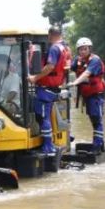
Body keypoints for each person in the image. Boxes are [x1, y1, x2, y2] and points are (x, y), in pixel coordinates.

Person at [27, 26, 70, 155]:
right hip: (54, 88)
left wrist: (35, 77)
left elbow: (50, 66)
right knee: (45, 115)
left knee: (43, 116)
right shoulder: (65, 49)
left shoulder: (54, 48)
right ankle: (49, 143)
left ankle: (47, 147)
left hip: (46, 89)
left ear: (50, 35)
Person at [68, 37, 105, 152]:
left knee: (97, 120)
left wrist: (74, 82)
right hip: (87, 96)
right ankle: (101, 144)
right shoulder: (78, 60)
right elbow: (68, 67)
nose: (82, 52)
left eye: (85, 49)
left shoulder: (95, 60)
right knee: (93, 119)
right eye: (80, 49)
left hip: (96, 95)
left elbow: (86, 74)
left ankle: (97, 147)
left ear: (89, 49)